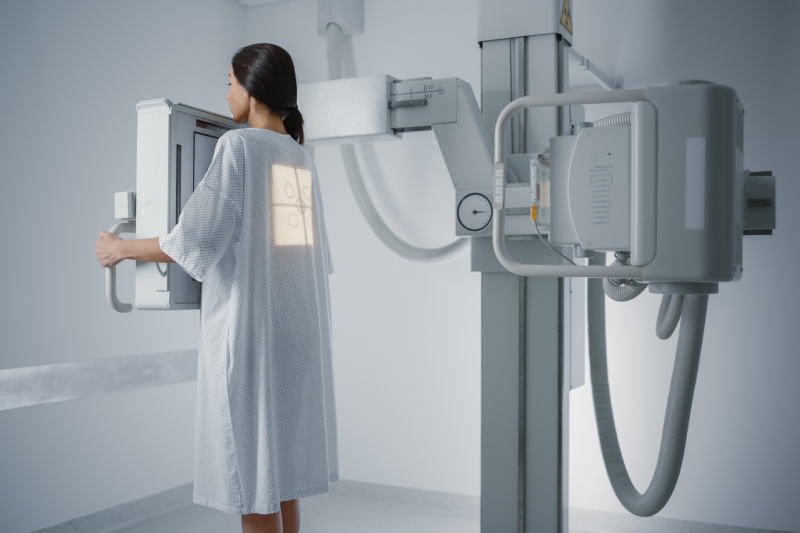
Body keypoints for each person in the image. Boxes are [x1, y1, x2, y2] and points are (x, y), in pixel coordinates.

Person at [95, 43, 338, 533]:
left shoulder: (240, 147)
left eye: (230, 81)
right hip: (295, 338)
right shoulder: (298, 157)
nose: (226, 92)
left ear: (253, 89)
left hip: (251, 340)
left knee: (252, 480)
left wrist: (119, 249)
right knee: (281, 472)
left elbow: (194, 238)